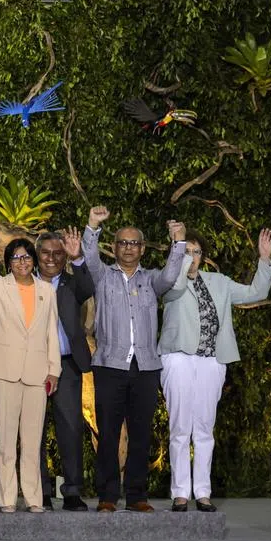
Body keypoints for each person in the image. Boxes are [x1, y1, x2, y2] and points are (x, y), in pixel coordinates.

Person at [158, 228, 271, 512]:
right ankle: (180, 493)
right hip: (178, 358)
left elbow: (256, 292)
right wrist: (180, 252)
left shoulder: (219, 282)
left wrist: (264, 260)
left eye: (196, 252)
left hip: (211, 361)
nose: (192, 257)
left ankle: (202, 492)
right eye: (186, 252)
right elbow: (177, 285)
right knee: (180, 428)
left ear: (204, 256)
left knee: (204, 428)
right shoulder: (169, 280)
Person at [83, 206, 188, 513]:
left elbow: (171, 274)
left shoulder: (152, 280)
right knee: (108, 433)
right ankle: (107, 496)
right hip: (109, 366)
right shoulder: (102, 276)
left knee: (141, 433)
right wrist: (92, 225)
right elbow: (89, 257)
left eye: (134, 243)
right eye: (123, 242)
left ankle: (137, 496)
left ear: (142, 249)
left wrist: (179, 242)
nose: (128, 247)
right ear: (114, 247)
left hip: (145, 368)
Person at [0, 238, 61, 513]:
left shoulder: (46, 290)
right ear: (8, 262)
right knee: (6, 441)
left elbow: (51, 332)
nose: (22, 262)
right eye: (16, 258)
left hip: (37, 373)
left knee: (32, 441)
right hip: (4, 371)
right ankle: (7, 498)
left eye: (27, 257)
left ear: (34, 260)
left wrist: (54, 370)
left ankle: (33, 498)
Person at [34, 229, 95, 511]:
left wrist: (78, 257)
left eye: (58, 253)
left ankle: (72, 492)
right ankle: (40, 492)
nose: (51, 258)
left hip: (67, 364)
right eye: (45, 252)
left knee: (70, 429)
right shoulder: (25, 283)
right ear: (37, 255)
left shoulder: (73, 283)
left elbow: (88, 288)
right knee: (33, 430)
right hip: (32, 365)